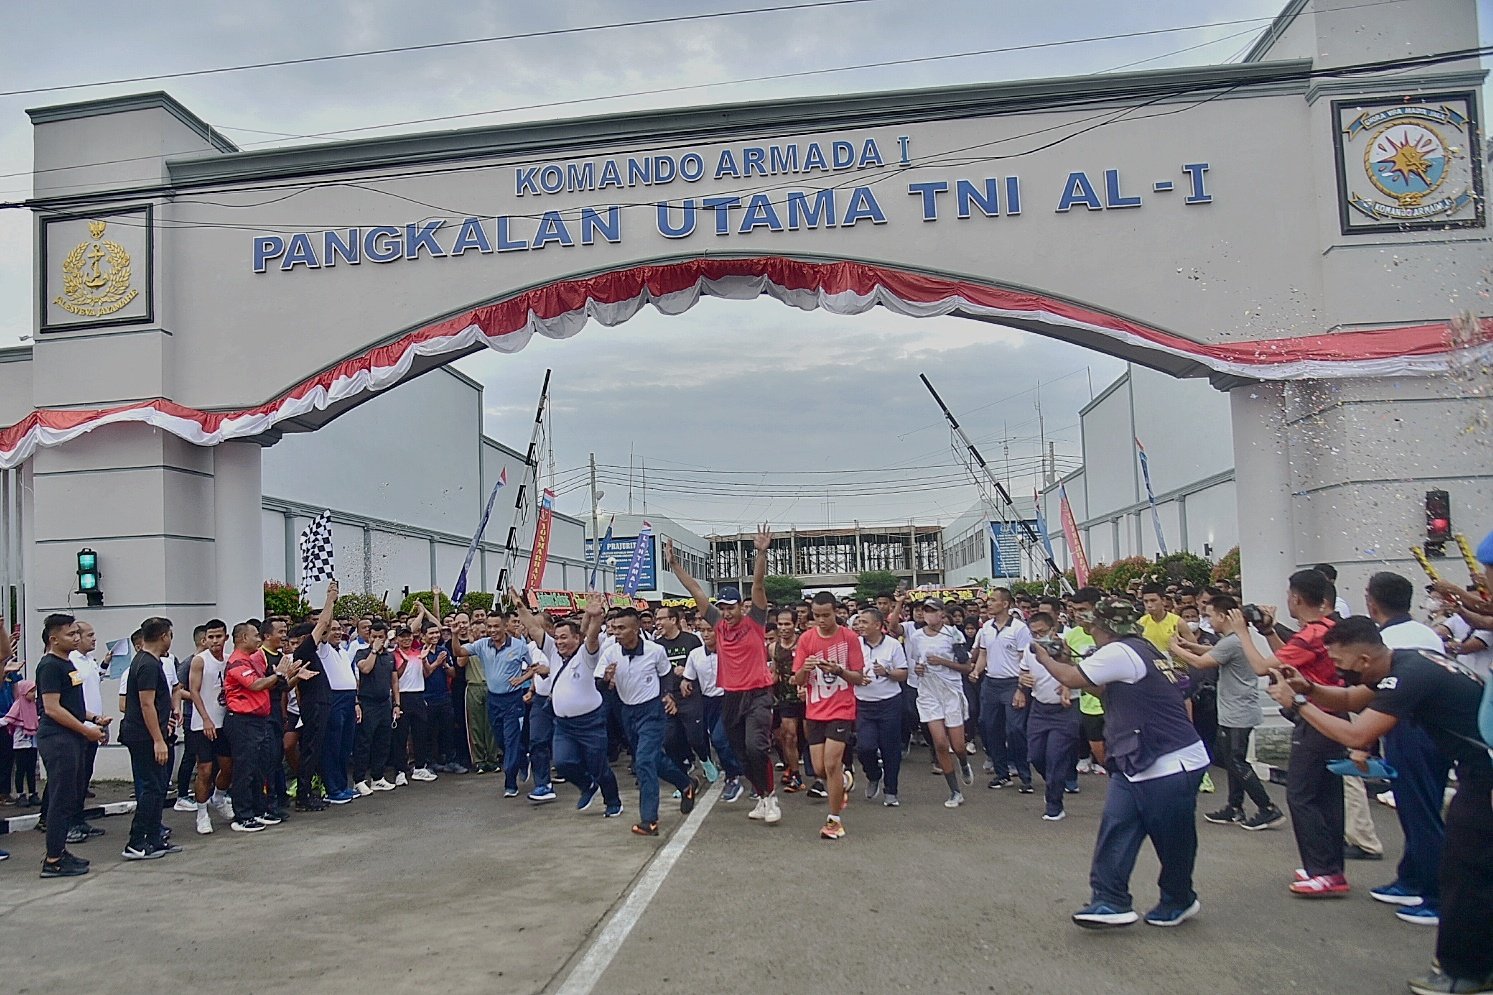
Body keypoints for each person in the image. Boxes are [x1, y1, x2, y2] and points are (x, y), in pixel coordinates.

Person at [1266, 616, 1493, 995]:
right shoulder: (1408, 661)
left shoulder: (1408, 676)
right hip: (1477, 772)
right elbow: (1352, 700)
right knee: (1472, 868)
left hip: (1484, 774)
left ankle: (1464, 972)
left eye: (1340, 665)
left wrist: (1298, 702)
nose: (1337, 671)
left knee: (1465, 873)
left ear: (1364, 661)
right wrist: (1309, 687)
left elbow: (1356, 732)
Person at [1031, 598, 1208, 928]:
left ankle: (1178, 899)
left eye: (1094, 624)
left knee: (1173, 839)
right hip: (1140, 759)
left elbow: (1071, 678)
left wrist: (1044, 658)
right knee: (1116, 826)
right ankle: (1109, 899)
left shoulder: (1120, 651)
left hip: (1168, 761)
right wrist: (1061, 658)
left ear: (1103, 626)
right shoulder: (1143, 649)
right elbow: (1099, 690)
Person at [1233, 569, 1349, 896]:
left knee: (1301, 794)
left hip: (1316, 719)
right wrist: (1268, 631)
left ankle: (1322, 871)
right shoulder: (1326, 629)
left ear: (1296, 597)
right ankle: (1330, 868)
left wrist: (1242, 633)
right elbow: (1289, 659)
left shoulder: (1311, 634)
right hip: (1333, 715)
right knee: (1327, 795)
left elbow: (1262, 667)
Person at [665, 527, 780, 824]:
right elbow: (697, 592)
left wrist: (761, 553)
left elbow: (757, 585)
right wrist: (675, 566)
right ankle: (762, 795)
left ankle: (771, 797)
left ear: (741, 607)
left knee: (756, 746)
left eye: (731, 608)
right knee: (740, 753)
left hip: (758, 693)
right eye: (723, 608)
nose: (727, 613)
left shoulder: (755, 620)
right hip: (732, 695)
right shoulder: (717, 624)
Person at [1362, 571, 1451, 927]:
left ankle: (1435, 894)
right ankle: (1411, 877)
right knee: (1419, 808)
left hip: (1408, 728)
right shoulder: (1426, 633)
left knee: (1421, 813)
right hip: (1431, 729)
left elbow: (1379, 693)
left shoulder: (1385, 641)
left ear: (1372, 600)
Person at [1169, 595, 1286, 830]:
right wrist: (1190, 645)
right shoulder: (1232, 640)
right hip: (1235, 708)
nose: (1208, 621)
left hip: (1238, 710)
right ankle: (1234, 807)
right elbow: (1214, 651)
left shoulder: (1233, 641)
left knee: (1235, 760)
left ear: (1223, 616)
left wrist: (1175, 649)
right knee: (1232, 759)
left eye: (1210, 615)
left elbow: (1203, 662)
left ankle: (1267, 807)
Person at [599, 607, 699, 836]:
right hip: (627, 712)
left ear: (635, 629)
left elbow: (665, 674)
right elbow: (599, 683)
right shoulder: (611, 652)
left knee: (644, 762)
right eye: (614, 628)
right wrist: (606, 679)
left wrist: (667, 695)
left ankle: (649, 820)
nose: (617, 632)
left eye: (622, 628)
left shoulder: (655, 650)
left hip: (652, 711)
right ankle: (685, 784)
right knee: (653, 759)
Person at [34, 614, 108, 878]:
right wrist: (86, 731)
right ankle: (53, 860)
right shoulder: (50, 666)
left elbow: (71, 705)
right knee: (60, 799)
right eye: (70, 634)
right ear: (54, 639)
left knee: (69, 798)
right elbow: (52, 709)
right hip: (58, 739)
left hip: (72, 737)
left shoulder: (68, 665)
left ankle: (60, 851)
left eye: (77, 633)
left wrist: (93, 719)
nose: (76, 638)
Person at [792, 591, 865, 840]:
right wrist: (805, 669)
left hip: (841, 709)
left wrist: (839, 670)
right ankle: (844, 780)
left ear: (836, 612)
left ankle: (834, 821)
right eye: (817, 615)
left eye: (826, 615)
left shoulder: (849, 638)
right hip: (815, 710)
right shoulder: (806, 640)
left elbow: (859, 677)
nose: (821, 620)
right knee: (820, 770)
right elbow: (797, 679)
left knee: (832, 763)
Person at [547, 592, 624, 818]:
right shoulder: (553, 654)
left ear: (575, 638)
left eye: (564, 637)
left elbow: (591, 637)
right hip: (563, 724)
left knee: (599, 766)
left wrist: (595, 616)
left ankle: (613, 801)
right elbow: (533, 628)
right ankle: (587, 786)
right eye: (557, 638)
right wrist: (519, 605)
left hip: (590, 722)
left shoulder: (586, 654)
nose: (560, 642)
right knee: (562, 763)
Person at [224, 621, 304, 832]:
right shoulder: (237, 663)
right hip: (242, 721)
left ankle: (258, 809)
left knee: (259, 768)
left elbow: (272, 684)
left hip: (258, 720)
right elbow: (256, 685)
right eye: (254, 636)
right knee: (245, 769)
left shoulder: (250, 661)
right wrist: (278, 675)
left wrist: (284, 675)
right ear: (243, 639)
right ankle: (242, 815)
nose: (258, 640)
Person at [119, 617, 181, 859]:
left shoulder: (151, 662)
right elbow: (146, 705)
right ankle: (136, 841)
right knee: (152, 788)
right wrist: (158, 739)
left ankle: (154, 838)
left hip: (152, 734)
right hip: (143, 737)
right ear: (164, 636)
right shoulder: (146, 664)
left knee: (158, 787)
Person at [454, 612, 533, 798]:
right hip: (493, 700)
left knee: (511, 740)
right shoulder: (482, 645)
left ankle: (510, 782)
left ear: (505, 627)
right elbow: (459, 652)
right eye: (489, 627)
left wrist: (522, 678)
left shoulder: (519, 646)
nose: (492, 630)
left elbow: (534, 667)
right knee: (501, 741)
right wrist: (455, 634)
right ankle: (522, 759)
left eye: (496, 626)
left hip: (513, 700)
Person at [906, 598, 975, 808]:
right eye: (925, 611)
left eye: (933, 611)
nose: (929, 615)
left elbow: (967, 667)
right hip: (928, 693)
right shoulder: (917, 637)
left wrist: (943, 661)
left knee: (958, 745)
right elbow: (918, 662)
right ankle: (955, 791)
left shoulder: (953, 634)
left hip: (951, 692)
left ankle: (963, 762)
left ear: (942, 614)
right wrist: (919, 670)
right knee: (941, 744)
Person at [971, 588, 1034, 792]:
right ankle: (1001, 773)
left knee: (1015, 729)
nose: (989, 604)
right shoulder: (986, 628)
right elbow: (983, 654)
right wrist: (976, 670)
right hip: (991, 683)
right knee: (989, 727)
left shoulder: (1019, 629)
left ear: (1005, 604)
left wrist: (1021, 689)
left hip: (1012, 683)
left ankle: (1024, 775)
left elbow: (1026, 661)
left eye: (993, 600)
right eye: (988, 600)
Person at [1021, 612, 1082, 822]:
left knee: (1055, 756)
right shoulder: (1030, 650)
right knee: (1036, 756)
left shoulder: (1065, 648)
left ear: (1053, 629)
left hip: (1064, 710)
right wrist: (1022, 683)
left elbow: (1073, 669)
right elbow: (1023, 672)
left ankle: (1054, 804)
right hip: (1039, 708)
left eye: (1042, 632)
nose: (1038, 637)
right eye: (1034, 633)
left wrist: (1066, 687)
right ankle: (1055, 782)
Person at [682, 617, 745, 803]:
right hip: (707, 702)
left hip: (730, 699)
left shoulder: (732, 652)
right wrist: (686, 682)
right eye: (703, 630)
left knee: (719, 738)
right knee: (716, 739)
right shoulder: (695, 655)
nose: (707, 634)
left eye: (711, 630)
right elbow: (688, 676)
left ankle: (733, 775)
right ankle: (738, 769)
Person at [853, 607, 909, 807]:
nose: (860, 626)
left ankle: (891, 790)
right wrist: (857, 678)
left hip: (889, 704)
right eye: (859, 622)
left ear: (877, 625)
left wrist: (887, 673)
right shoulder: (854, 644)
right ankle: (874, 775)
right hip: (863, 704)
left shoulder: (893, 645)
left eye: (864, 622)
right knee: (864, 747)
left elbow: (903, 674)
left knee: (890, 749)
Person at [290, 582, 335, 810]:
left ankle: (308, 792)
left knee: (314, 750)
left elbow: (325, 626)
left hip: (317, 704)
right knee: (310, 750)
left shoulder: (304, 653)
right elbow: (324, 623)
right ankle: (303, 796)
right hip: (315, 706)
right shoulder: (303, 651)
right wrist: (330, 598)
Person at [187, 618, 233, 834]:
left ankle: (220, 797)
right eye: (211, 637)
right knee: (204, 769)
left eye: (218, 637)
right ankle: (202, 813)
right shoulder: (200, 661)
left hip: (226, 720)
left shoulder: (229, 660)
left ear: (226, 638)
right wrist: (205, 718)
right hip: (202, 724)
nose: (215, 641)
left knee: (228, 765)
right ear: (205, 639)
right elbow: (194, 691)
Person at [352, 621, 400, 795]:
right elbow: (365, 669)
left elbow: (394, 681)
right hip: (367, 703)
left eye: (381, 636)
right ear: (369, 637)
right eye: (374, 636)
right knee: (364, 743)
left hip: (384, 703)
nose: (377, 640)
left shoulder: (389, 657)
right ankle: (358, 779)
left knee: (383, 741)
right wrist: (374, 650)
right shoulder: (362, 653)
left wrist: (396, 704)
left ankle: (378, 777)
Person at [768, 608, 806, 794]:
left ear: (795, 624)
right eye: (780, 624)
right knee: (789, 737)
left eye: (787, 624)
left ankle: (819, 777)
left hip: (807, 696)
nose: (783, 628)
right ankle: (796, 776)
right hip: (785, 697)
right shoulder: (773, 647)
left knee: (810, 738)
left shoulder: (804, 643)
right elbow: (774, 673)